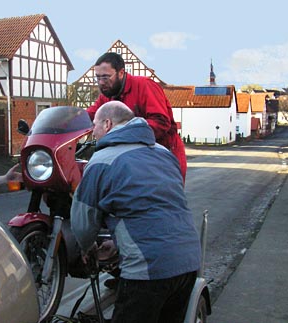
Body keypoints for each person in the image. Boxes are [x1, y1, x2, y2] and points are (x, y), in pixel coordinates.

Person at [71, 101, 201, 323]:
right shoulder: (163, 153)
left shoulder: (102, 160)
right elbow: (154, 207)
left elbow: (84, 219)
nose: (93, 131)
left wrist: (87, 247)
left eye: (95, 125)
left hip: (148, 271)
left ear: (107, 124)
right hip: (188, 262)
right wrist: (118, 241)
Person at [87, 52, 187, 183]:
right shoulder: (108, 94)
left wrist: (123, 131)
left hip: (162, 156)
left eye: (106, 77)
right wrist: (67, 119)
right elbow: (91, 114)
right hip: (133, 156)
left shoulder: (145, 86)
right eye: (98, 77)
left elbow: (161, 122)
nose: (101, 83)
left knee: (160, 199)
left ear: (121, 73)